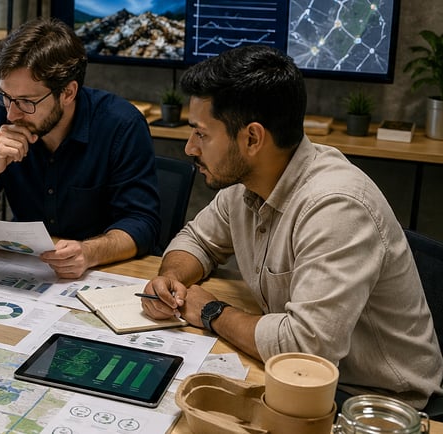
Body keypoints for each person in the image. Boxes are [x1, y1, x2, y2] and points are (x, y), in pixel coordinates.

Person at [139, 44, 443, 409]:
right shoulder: (247, 181)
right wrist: (172, 279)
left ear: (252, 138)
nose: (190, 148)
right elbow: (197, 240)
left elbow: (306, 347)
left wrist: (212, 312)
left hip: (371, 401)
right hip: (294, 375)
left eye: (201, 134)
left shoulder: (336, 206)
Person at [0, 18, 160, 279]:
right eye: (5, 96)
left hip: (104, 271)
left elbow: (142, 222)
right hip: (26, 265)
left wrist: (89, 252)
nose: (11, 114)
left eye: (26, 101)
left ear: (68, 93)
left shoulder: (121, 125)